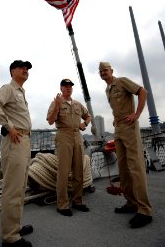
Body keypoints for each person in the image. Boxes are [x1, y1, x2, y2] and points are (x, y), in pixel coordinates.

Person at [99, 61, 152, 228]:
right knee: (123, 168)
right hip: (119, 129)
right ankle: (131, 203)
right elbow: (118, 108)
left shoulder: (121, 81)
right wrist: (116, 120)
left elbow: (143, 92)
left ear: (111, 71)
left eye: (106, 70)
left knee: (136, 167)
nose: (103, 73)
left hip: (129, 127)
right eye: (101, 72)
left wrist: (136, 114)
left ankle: (144, 210)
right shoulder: (107, 89)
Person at [0, 60, 33, 247]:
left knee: (20, 187)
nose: (26, 70)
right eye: (22, 67)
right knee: (12, 189)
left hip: (24, 141)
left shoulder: (20, 92)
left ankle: (15, 226)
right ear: (12, 71)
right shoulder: (8, 88)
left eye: (27, 68)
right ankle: (10, 237)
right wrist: (10, 126)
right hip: (15, 141)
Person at [47, 78, 91, 216]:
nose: (68, 88)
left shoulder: (77, 104)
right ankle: (62, 204)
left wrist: (85, 124)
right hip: (63, 136)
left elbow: (88, 116)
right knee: (64, 172)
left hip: (77, 136)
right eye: (65, 86)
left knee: (79, 170)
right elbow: (50, 121)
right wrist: (57, 106)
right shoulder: (56, 103)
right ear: (61, 88)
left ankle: (77, 201)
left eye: (70, 86)